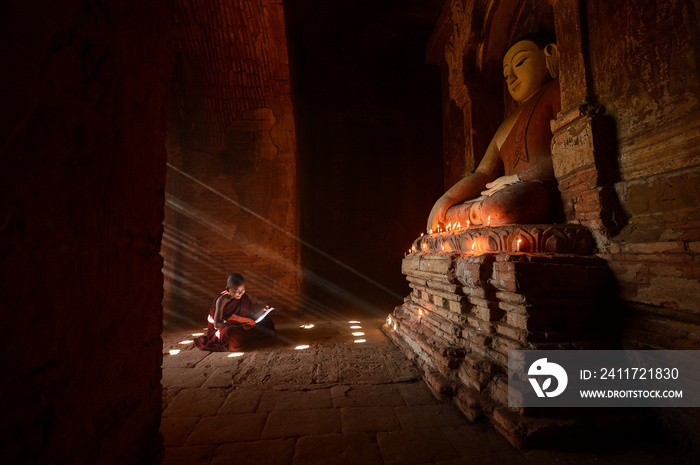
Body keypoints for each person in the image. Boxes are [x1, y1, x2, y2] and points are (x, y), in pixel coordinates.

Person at [427, 33, 562, 231]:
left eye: (521, 62)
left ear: (549, 54)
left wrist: (516, 178)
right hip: (503, 193)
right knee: (451, 214)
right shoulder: (506, 123)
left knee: (506, 205)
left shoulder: (557, 89)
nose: (512, 78)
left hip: (537, 189)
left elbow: (569, 153)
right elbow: (483, 173)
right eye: (506, 75)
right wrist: (447, 198)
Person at [195, 273, 275, 351]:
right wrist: (237, 326)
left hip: (242, 326)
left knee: (267, 321)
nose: (240, 293)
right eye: (236, 291)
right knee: (230, 333)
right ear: (228, 289)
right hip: (228, 327)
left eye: (242, 290)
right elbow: (217, 324)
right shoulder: (222, 300)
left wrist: (262, 311)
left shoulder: (244, 298)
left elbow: (251, 318)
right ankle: (258, 335)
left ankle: (249, 336)